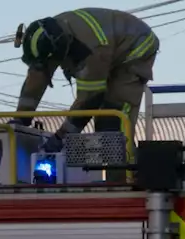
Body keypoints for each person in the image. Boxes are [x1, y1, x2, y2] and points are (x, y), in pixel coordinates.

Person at [14, 8, 158, 153]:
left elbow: (90, 99)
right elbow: (37, 77)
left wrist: (62, 137)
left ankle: (127, 171)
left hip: (136, 48)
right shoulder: (50, 33)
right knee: (104, 122)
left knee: (112, 122)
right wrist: (19, 121)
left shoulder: (92, 52)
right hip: (110, 42)